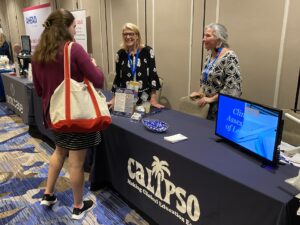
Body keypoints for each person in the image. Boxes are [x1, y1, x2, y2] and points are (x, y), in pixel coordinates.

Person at [32, 9, 104, 220]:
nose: (75, 30)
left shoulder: (39, 54)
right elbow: (98, 80)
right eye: (74, 26)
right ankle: (78, 205)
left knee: (58, 152)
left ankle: (48, 194)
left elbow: (38, 90)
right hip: (74, 116)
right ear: (66, 27)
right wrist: (92, 65)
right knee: (76, 162)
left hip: (53, 115)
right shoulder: (73, 49)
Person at [190, 23, 242, 120]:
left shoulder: (230, 57)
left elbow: (233, 89)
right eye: (204, 35)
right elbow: (207, 81)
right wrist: (200, 93)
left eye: (208, 36)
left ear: (219, 39)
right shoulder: (209, 56)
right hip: (207, 108)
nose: (203, 39)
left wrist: (210, 99)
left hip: (222, 110)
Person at [108, 22, 164, 109]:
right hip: (125, 99)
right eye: (125, 34)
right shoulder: (120, 54)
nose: (128, 37)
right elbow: (118, 78)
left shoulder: (148, 52)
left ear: (137, 36)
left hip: (144, 99)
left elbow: (153, 76)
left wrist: (153, 99)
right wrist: (114, 99)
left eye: (131, 34)